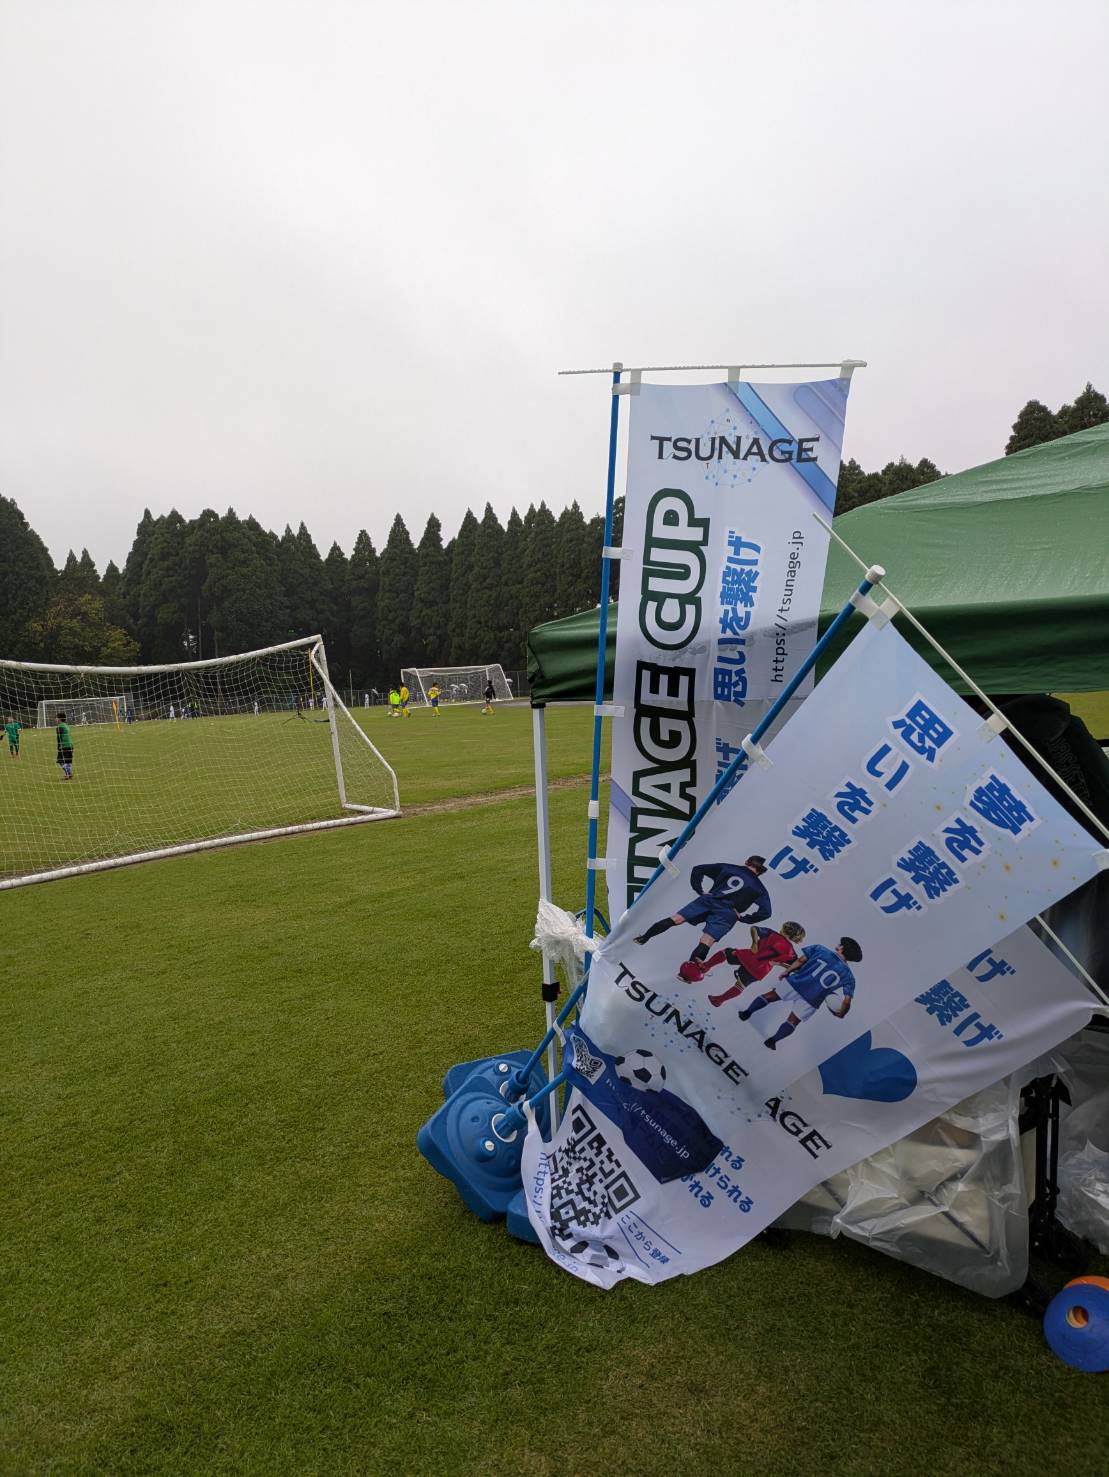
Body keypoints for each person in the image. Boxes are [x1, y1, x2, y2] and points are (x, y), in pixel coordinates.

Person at [634, 857, 771, 971]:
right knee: (707, 941)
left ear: (747, 862)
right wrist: (744, 918)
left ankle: (643, 938)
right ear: (760, 872)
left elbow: (698, 869)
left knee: (676, 919)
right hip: (727, 914)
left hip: (709, 900)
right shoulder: (760, 888)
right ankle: (688, 973)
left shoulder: (728, 868)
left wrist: (699, 890)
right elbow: (766, 912)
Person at [738, 937, 863, 1050]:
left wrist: (787, 971)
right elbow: (847, 1001)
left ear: (842, 948)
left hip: (797, 982)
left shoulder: (820, 949)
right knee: (793, 1021)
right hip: (813, 998)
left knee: (771, 996)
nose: (838, 944)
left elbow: (801, 960)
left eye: (840, 944)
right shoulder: (849, 977)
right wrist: (841, 1013)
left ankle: (746, 1013)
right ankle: (772, 1041)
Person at [680, 921, 806, 1004]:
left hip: (748, 957)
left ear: (784, 929)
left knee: (726, 952)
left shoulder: (772, 934)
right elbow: (796, 965)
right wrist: (780, 964)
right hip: (761, 970)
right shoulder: (791, 951)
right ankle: (719, 1000)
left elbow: (754, 928)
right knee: (741, 985)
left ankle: (706, 966)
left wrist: (754, 943)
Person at [55, 711, 74, 780]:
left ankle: (68, 773)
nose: (55, 719)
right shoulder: (66, 725)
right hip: (70, 745)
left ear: (59, 719)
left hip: (64, 746)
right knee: (67, 761)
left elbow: (59, 738)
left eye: (56, 718)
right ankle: (69, 774)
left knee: (60, 761)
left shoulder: (59, 727)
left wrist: (58, 746)